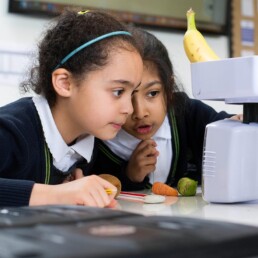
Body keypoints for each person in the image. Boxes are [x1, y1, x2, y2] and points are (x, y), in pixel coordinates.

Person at [0, 10, 143, 207]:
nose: (129, 109)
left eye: (132, 93)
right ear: (65, 83)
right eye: (118, 91)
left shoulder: (93, 140)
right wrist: (56, 194)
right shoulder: (11, 132)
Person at [90, 27, 239, 191]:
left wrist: (238, 123)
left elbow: (230, 125)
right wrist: (129, 175)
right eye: (122, 93)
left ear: (168, 89)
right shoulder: (95, 142)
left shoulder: (188, 113)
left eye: (152, 93)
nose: (140, 113)